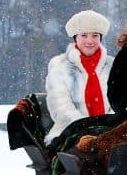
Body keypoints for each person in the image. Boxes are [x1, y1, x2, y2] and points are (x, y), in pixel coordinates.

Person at [44, 9, 114, 144]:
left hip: (109, 131)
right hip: (70, 132)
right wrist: (87, 128)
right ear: (76, 37)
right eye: (84, 35)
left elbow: (118, 102)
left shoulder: (112, 65)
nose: (90, 41)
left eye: (95, 35)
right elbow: (61, 107)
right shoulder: (59, 66)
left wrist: (108, 126)